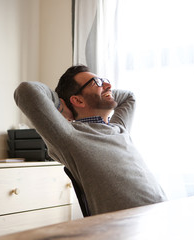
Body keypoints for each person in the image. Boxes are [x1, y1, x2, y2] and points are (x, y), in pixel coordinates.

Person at [14, 65, 167, 215]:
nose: (108, 85)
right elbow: (25, 91)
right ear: (78, 100)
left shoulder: (119, 127)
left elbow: (129, 97)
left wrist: (104, 91)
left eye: (103, 80)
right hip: (130, 226)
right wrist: (61, 105)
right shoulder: (70, 136)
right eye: (97, 83)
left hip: (165, 213)